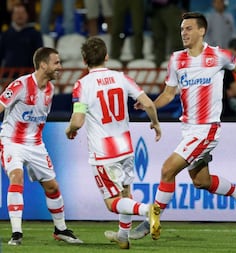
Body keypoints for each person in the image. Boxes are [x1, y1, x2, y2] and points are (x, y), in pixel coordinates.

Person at [129, 11, 236, 240]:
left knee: (167, 169)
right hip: (189, 130)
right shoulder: (176, 59)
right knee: (201, 182)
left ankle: (151, 218)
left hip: (207, 129)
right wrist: (150, 104)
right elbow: (169, 94)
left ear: (202, 30)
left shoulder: (219, 55)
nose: (184, 33)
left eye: (189, 28)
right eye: (182, 29)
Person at [65, 37, 162, 249]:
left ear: (84, 60)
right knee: (126, 192)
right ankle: (123, 236)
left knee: (112, 202)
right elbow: (148, 103)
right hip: (125, 146)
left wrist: (70, 129)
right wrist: (155, 123)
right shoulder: (122, 77)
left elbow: (78, 120)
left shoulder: (82, 85)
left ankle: (147, 210)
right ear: (107, 56)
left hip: (104, 151)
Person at [0, 47, 83, 246]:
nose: (60, 67)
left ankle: (60, 229)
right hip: (12, 141)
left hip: (35, 144)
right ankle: (17, 234)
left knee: (52, 187)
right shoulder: (20, 84)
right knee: (16, 176)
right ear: (43, 64)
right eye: (56, 63)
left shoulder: (51, 89)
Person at [0, 3, 43, 67]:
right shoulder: (5, 35)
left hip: (29, 73)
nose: (20, 15)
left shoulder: (35, 34)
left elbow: (40, 56)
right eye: (17, 13)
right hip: (8, 74)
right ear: (12, 16)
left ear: (27, 15)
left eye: (22, 13)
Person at [149, 0, 189, 67]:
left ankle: (180, 64)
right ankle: (158, 66)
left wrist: (185, 8)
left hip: (170, 7)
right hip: (155, 9)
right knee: (157, 38)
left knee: (176, 38)